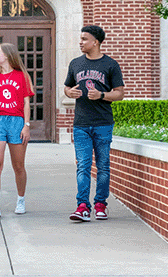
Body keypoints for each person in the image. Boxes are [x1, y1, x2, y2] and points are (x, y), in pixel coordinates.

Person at [64, 25, 125, 222]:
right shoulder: (75, 64)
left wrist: (102, 95)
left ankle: (100, 204)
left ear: (95, 42)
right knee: (83, 165)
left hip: (102, 123)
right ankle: (82, 206)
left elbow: (119, 94)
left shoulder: (110, 65)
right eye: (80, 39)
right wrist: (68, 92)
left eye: (84, 39)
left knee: (103, 166)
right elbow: (67, 87)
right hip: (81, 123)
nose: (80, 42)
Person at [0, 43, 34, 219]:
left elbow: (26, 102)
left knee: (18, 166)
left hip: (17, 122)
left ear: (8, 55)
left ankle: (21, 199)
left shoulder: (22, 76)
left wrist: (26, 125)